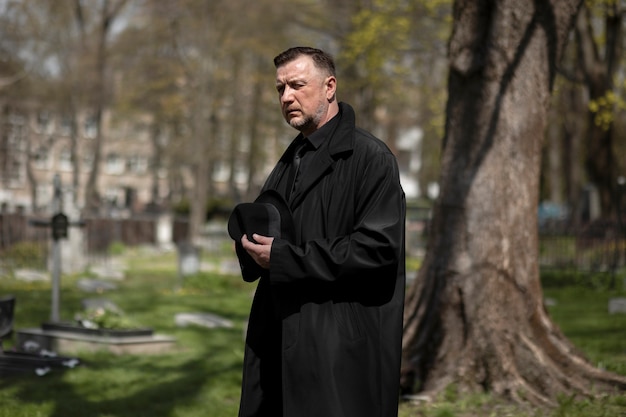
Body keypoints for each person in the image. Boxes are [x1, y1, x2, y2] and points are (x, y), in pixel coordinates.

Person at [234, 46, 406, 417]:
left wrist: (282, 258)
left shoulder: (370, 158)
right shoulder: (290, 159)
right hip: (279, 336)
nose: (286, 97)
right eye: (280, 89)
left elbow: (377, 248)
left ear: (329, 87)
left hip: (338, 347)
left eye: (297, 85)